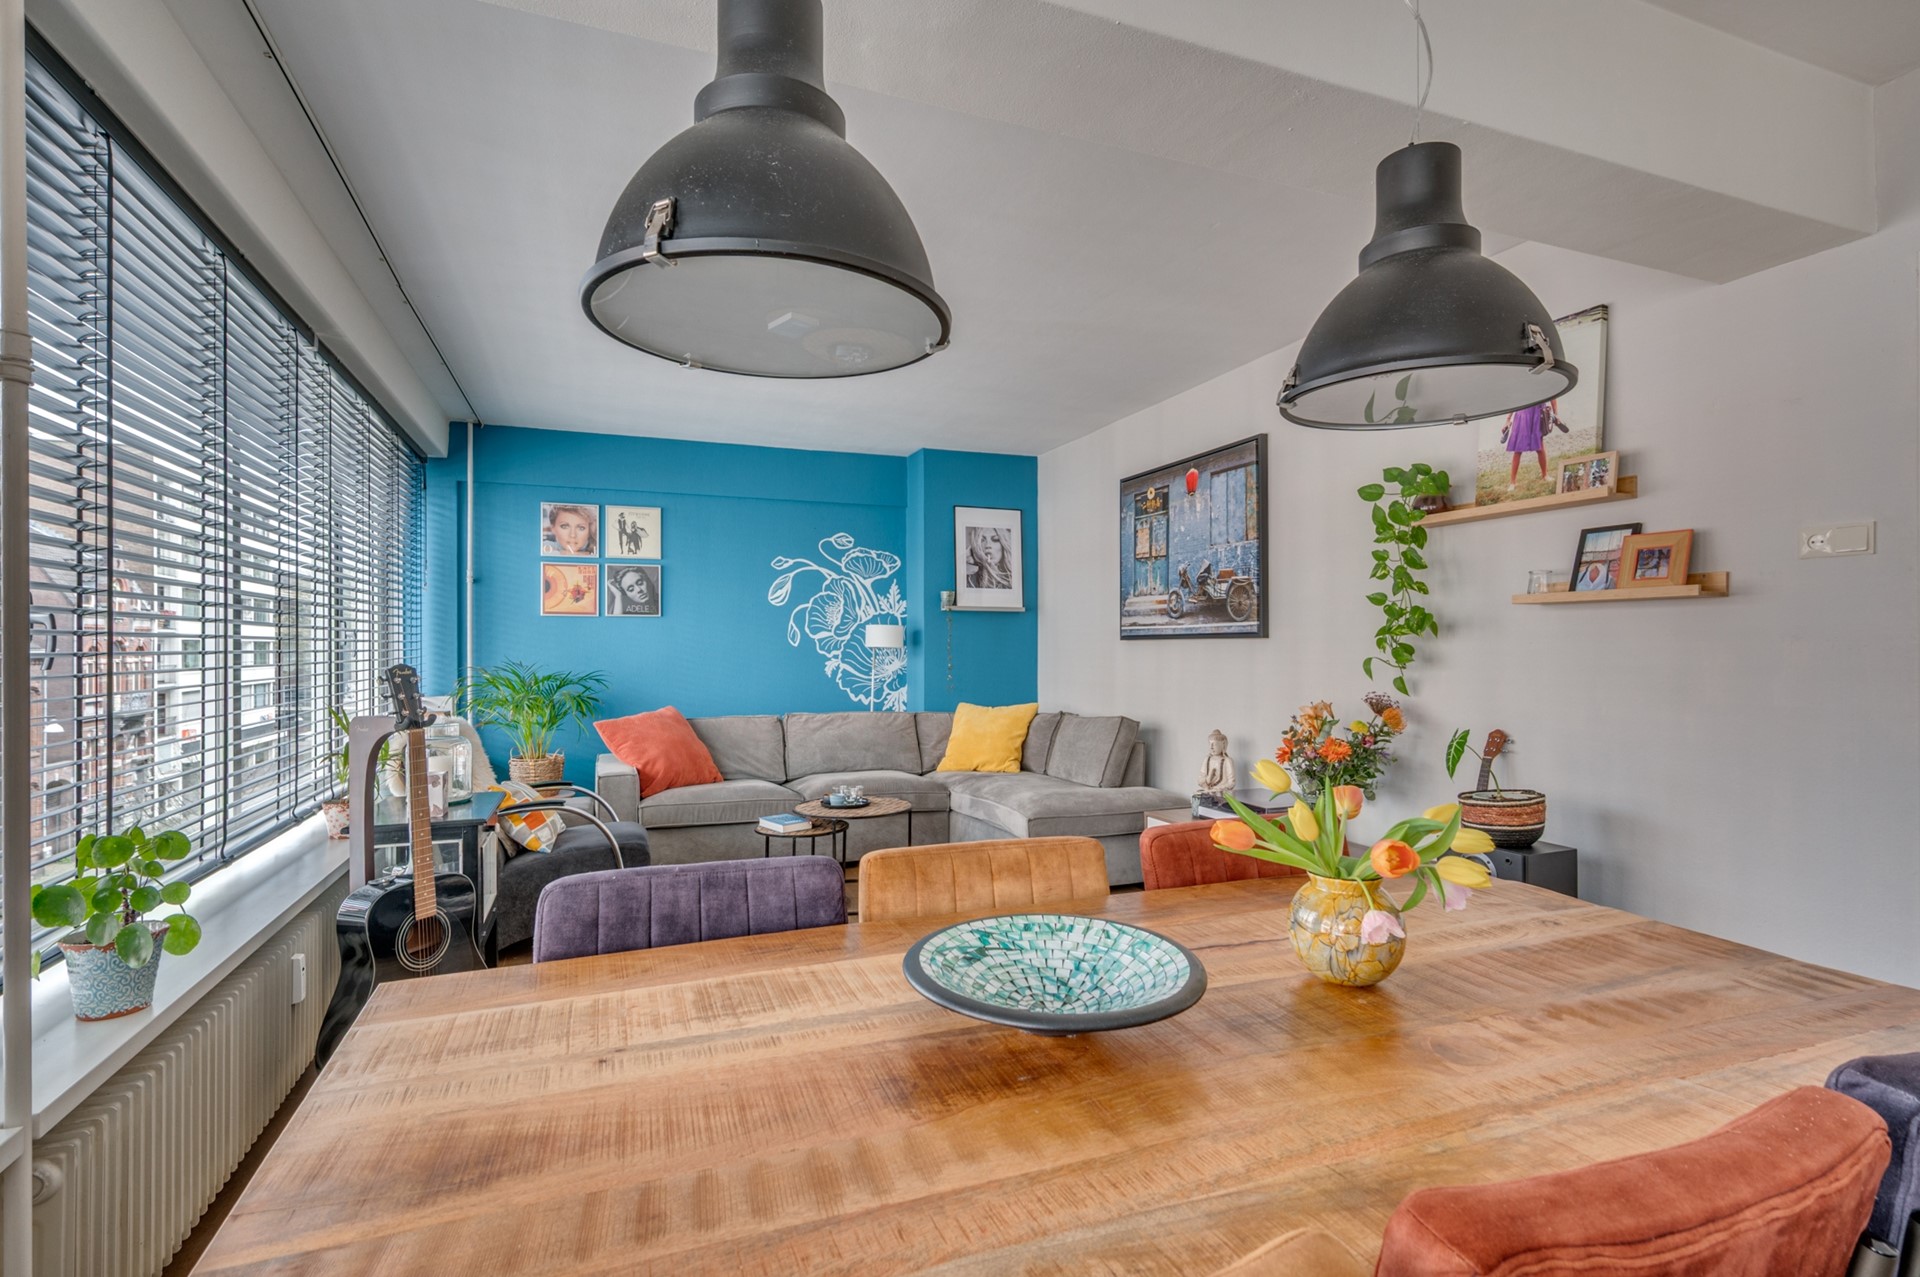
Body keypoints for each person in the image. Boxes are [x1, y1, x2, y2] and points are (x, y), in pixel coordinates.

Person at [1502, 399, 1558, 490]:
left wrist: (1555, 414)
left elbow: (1553, 397)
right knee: (1518, 449)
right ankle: (1512, 482)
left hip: (1538, 413)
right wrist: (1508, 419)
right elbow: (1515, 399)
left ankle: (1545, 475)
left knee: (1540, 446)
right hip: (1523, 414)